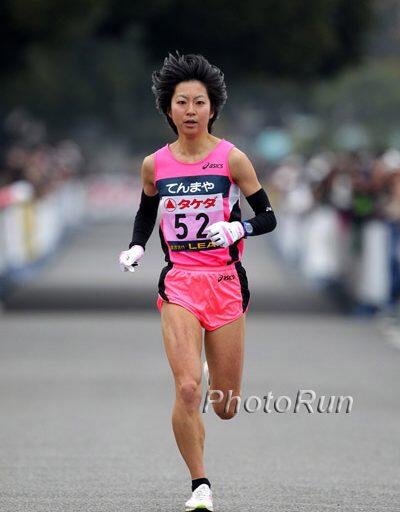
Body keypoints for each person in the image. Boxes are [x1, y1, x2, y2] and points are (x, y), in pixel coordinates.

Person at [119, 52, 276, 511]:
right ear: (168, 109)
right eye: (181, 102)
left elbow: (268, 216)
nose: (190, 111)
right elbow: (146, 212)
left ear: (213, 108)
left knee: (225, 405)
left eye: (199, 102)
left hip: (225, 282)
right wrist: (137, 246)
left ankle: (210, 373)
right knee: (187, 388)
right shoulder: (155, 164)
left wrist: (239, 228)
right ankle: (200, 484)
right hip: (180, 283)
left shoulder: (233, 159)